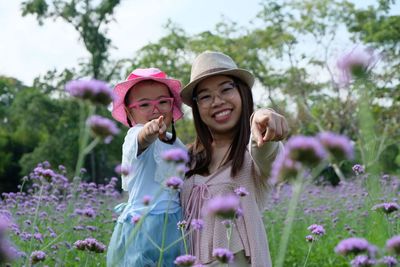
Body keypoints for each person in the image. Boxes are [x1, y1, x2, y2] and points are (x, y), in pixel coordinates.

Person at [180, 51, 288, 267]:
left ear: (242, 93)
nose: (217, 102)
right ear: (197, 107)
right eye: (205, 96)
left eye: (226, 89)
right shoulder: (187, 157)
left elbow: (268, 153)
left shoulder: (253, 152)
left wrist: (261, 118)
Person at [107, 68, 186, 267]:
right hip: (143, 223)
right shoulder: (135, 135)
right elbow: (142, 140)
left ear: (172, 105)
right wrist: (148, 132)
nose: (156, 109)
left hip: (175, 222)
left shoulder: (177, 144)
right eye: (144, 104)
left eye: (163, 102)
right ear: (129, 112)